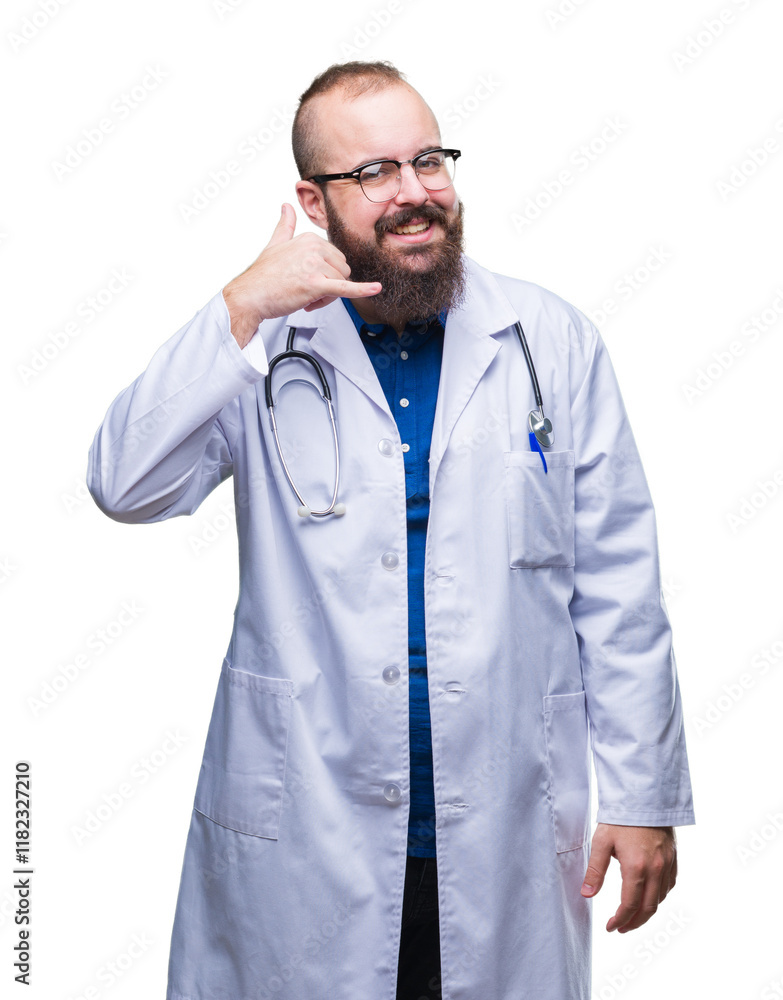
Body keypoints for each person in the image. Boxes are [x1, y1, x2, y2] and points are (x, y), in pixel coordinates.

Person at [87, 60, 695, 1000]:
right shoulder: (264, 347)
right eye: (374, 173)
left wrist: (642, 795)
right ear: (312, 199)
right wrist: (242, 302)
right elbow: (124, 484)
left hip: (503, 816)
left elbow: (617, 584)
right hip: (305, 823)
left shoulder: (545, 339)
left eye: (428, 161)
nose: (414, 194)